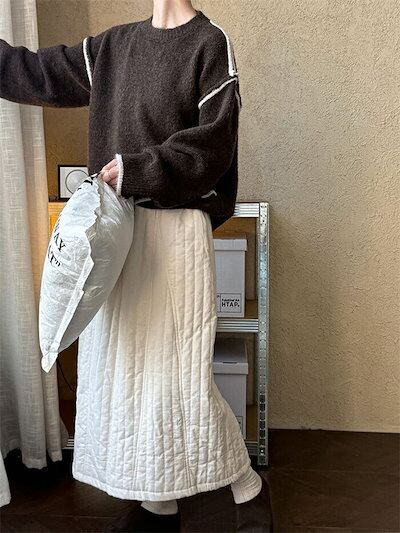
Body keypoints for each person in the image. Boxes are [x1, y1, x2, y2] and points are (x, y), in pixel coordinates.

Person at [0, 0, 273, 531]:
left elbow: (213, 145)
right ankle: (158, 506)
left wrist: (138, 169)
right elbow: (37, 73)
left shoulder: (209, 44)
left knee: (180, 383)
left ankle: (249, 489)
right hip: (117, 234)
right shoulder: (113, 46)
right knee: (127, 377)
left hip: (177, 234)